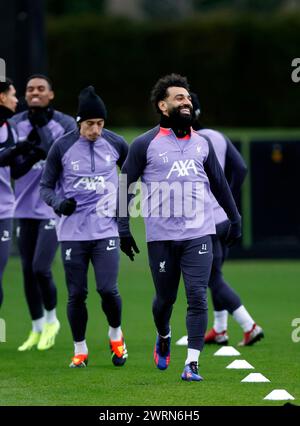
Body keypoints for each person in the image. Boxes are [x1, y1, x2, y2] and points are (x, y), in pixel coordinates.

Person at [118, 73, 241, 381]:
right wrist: (123, 227)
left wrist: (235, 217)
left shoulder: (203, 144)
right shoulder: (145, 144)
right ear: (163, 105)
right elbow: (124, 185)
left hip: (199, 233)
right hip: (161, 238)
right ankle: (163, 335)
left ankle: (192, 364)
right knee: (165, 301)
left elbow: (221, 184)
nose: (186, 102)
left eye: (187, 98)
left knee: (197, 296)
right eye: (178, 98)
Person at [40, 86, 129, 368]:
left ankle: (116, 335)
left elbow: (131, 178)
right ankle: (80, 350)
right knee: (77, 293)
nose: (96, 130)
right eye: (90, 124)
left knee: (107, 290)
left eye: (100, 124)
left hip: (106, 231)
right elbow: (45, 187)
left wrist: (122, 213)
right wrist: (58, 203)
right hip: (72, 233)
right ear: (79, 122)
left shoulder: (116, 143)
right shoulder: (62, 147)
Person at [191, 92, 264, 346]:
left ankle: (249, 325)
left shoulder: (190, 142)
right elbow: (241, 168)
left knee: (212, 278)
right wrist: (227, 198)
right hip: (224, 219)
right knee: (216, 273)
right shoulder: (217, 136)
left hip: (205, 222)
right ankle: (220, 330)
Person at [11, 74, 77, 351]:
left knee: (41, 267)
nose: (34, 93)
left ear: (51, 95)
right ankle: (37, 327)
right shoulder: (15, 124)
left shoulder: (65, 124)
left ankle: (52, 320)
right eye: (29, 89)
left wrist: (44, 146)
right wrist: (30, 153)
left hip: (52, 208)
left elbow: (71, 161)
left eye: (40, 89)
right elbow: (12, 167)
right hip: (23, 207)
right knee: (27, 270)